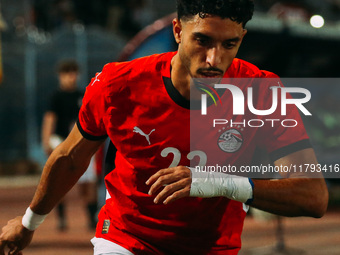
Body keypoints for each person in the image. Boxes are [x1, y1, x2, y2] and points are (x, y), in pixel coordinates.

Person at [0, 1, 328, 255]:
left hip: (212, 247)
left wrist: (218, 183)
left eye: (229, 44)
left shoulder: (261, 91)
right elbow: (71, 157)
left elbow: (313, 196)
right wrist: (29, 223)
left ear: (242, 37)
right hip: (127, 239)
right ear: (177, 31)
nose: (213, 58)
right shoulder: (119, 84)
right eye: (202, 40)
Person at [41, 59, 97, 230]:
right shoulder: (56, 97)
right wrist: (46, 141)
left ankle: (91, 218)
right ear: (60, 76)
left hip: (81, 144)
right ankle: (62, 219)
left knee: (88, 184)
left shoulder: (83, 95)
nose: (70, 77)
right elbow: (50, 119)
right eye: (67, 73)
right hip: (61, 142)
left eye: (73, 73)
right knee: (59, 183)